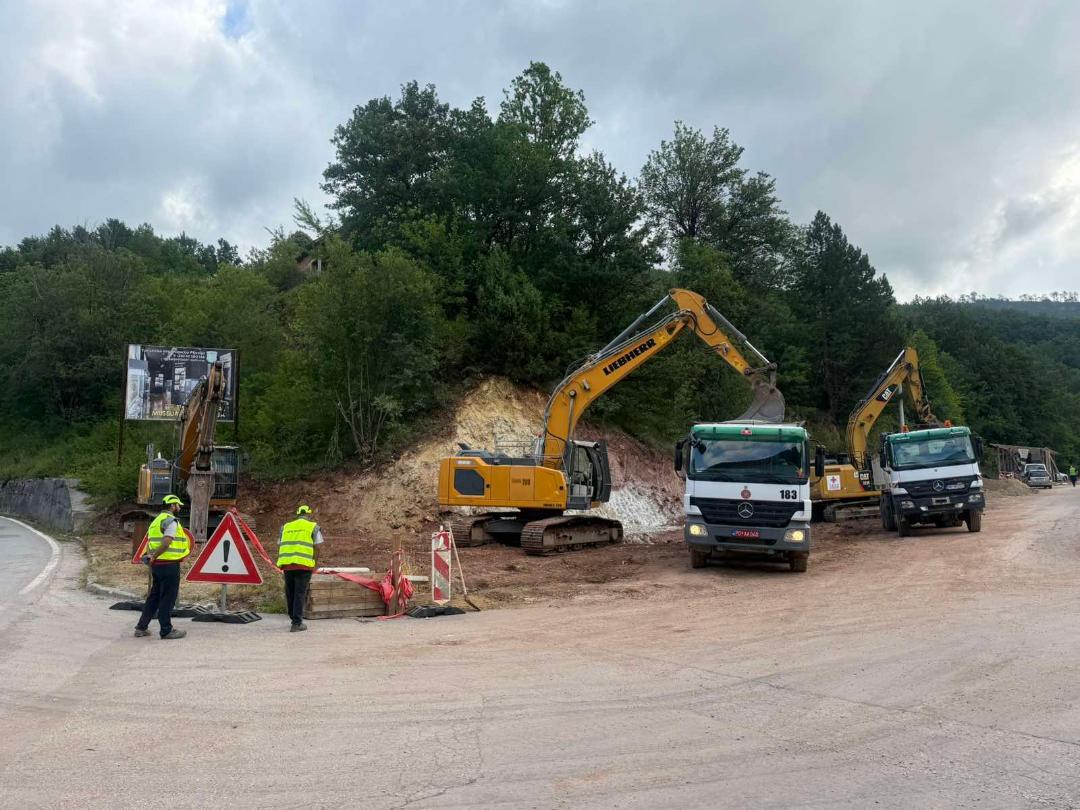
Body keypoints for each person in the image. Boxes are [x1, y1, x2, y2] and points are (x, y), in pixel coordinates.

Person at [134, 494, 191, 640]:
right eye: (177, 505)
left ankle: (141, 627)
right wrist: (154, 556)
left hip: (158, 566)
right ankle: (166, 630)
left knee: (154, 597)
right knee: (168, 598)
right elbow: (166, 542)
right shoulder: (171, 521)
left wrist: (152, 557)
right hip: (168, 564)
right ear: (172, 506)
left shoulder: (156, 521)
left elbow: (152, 542)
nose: (179, 507)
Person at [277, 505, 323, 632]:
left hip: (287, 565)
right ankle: (296, 623)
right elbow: (317, 546)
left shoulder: (286, 527)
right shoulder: (313, 527)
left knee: (290, 592)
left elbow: (280, 544)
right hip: (304, 565)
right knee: (299, 593)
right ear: (309, 515)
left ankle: (293, 617)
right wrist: (314, 563)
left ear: (297, 514)